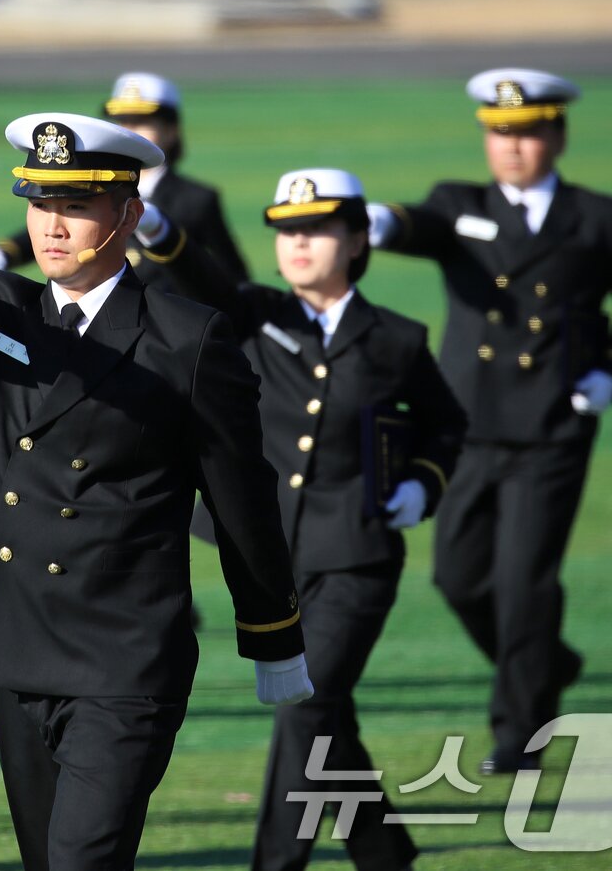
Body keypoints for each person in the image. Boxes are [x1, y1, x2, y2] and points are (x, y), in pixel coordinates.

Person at [0, 111, 311, 871]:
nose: (51, 227)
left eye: (75, 207)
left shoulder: (187, 336)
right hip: (17, 646)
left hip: (124, 658)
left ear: (128, 213)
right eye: (39, 204)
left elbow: (240, 495)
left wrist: (273, 631)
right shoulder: (2, 309)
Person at [367, 68, 612, 774]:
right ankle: (548, 660)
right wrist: (373, 221)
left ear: (557, 135)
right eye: (500, 133)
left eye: (528, 132)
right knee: (460, 578)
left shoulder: (601, 217)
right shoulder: (460, 203)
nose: (512, 146)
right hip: (467, 423)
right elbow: (418, 224)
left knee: (526, 579)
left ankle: (521, 730)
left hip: (552, 429)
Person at [175, 169, 466, 871]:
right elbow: (200, 277)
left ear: (359, 237)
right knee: (329, 717)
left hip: (356, 559)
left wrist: (423, 485)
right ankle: (384, 852)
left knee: (305, 704)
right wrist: (158, 232)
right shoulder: (253, 312)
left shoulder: (394, 337)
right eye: (286, 230)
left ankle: (275, 865)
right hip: (271, 563)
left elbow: (447, 424)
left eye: (317, 229)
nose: (298, 242)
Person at [0, 72, 249, 300]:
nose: (130, 128)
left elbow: (232, 277)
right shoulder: (88, 184)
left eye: (143, 121)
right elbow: (56, 228)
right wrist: (2, 252)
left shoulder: (196, 198)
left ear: (172, 130)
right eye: (122, 120)